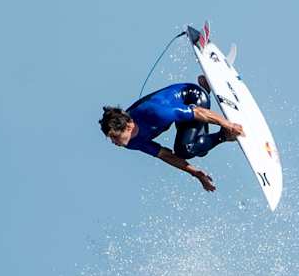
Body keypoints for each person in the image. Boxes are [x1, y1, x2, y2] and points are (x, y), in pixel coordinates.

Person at [99, 79, 245, 192]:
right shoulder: (131, 142)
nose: (114, 142)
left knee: (187, 149)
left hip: (193, 97)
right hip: (179, 112)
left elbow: (198, 113)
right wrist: (195, 173)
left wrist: (228, 124)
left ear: (129, 126)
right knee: (200, 150)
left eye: (115, 137)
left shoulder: (155, 113)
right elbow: (164, 154)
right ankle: (206, 88)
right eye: (111, 138)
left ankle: (224, 133)